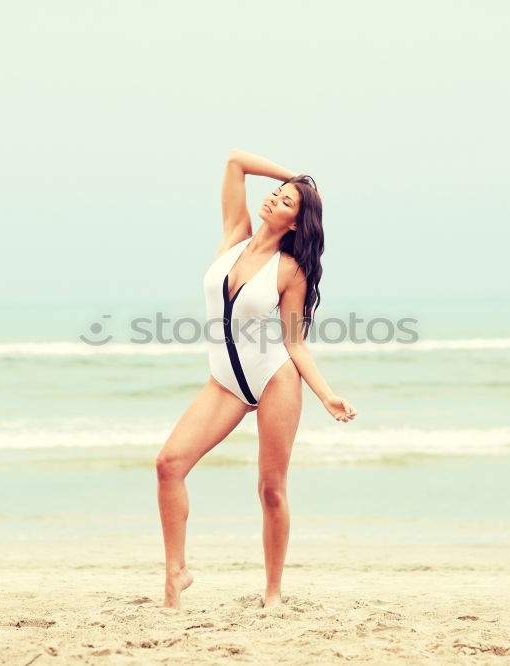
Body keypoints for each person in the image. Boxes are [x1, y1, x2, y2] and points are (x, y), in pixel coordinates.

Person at [155, 149, 357, 610]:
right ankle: (176, 573)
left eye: (286, 203)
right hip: (224, 382)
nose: (272, 201)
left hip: (273, 379)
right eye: (275, 194)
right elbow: (235, 162)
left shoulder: (290, 270)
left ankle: (273, 593)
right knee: (169, 465)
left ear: (296, 224)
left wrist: (326, 396)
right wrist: (301, 180)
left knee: (270, 490)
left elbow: (295, 343)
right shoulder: (233, 237)